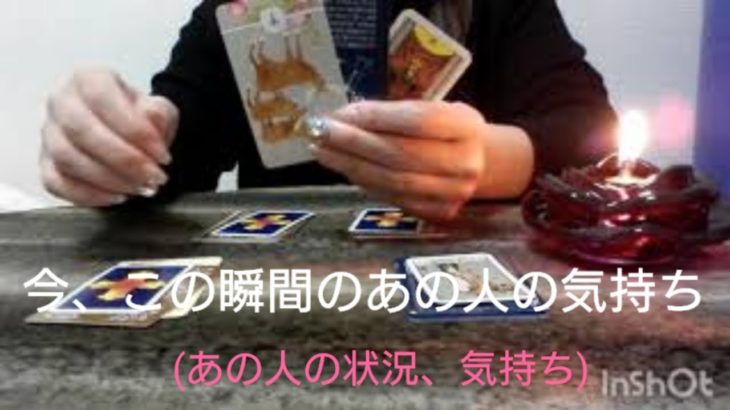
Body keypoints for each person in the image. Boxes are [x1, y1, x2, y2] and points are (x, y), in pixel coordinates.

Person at [39, 0, 616, 221]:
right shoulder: (244, 10)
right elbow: (177, 141)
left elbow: (589, 131)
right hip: (281, 304)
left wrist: (494, 160)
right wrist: (115, 143)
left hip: (460, 292)